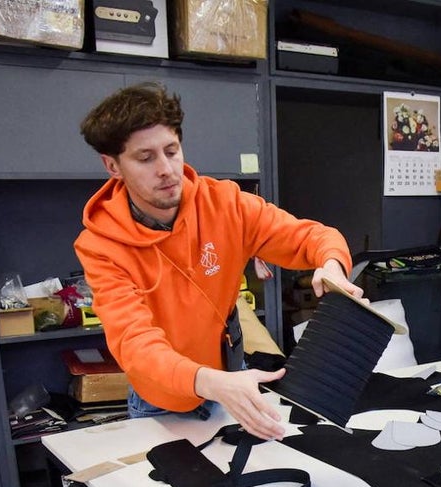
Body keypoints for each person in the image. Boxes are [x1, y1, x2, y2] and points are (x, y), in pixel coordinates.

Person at [74, 82, 361, 440]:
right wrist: (210, 382)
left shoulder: (226, 204)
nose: (165, 169)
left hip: (232, 382)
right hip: (162, 402)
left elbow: (312, 236)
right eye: (145, 158)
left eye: (172, 150)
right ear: (113, 165)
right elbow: (135, 345)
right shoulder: (101, 245)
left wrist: (331, 263)